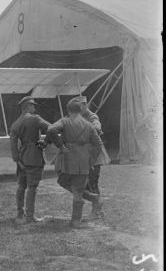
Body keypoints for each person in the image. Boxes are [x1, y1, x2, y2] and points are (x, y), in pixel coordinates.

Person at [46, 97, 104, 228]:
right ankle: (94, 198)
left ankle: (76, 220)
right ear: (80, 109)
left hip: (67, 159)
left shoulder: (65, 121)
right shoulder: (88, 125)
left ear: (68, 110)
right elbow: (98, 144)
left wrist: (60, 145)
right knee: (75, 186)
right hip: (83, 161)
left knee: (65, 183)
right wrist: (91, 160)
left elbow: (50, 130)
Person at [9, 96, 50, 224]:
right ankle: (30, 216)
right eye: (33, 105)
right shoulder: (36, 119)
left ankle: (20, 214)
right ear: (27, 106)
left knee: (21, 186)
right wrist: (46, 142)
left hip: (22, 158)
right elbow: (52, 128)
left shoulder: (16, 123)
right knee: (32, 187)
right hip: (34, 157)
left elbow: (12, 143)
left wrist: (17, 159)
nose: (34, 108)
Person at [77, 95, 110, 219]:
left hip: (95, 157)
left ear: (85, 105)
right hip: (86, 156)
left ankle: (95, 212)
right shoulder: (81, 117)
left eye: (80, 106)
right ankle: (96, 208)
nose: (79, 110)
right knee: (85, 185)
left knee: (93, 183)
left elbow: (97, 126)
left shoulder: (92, 116)